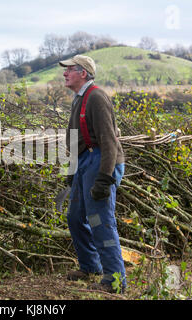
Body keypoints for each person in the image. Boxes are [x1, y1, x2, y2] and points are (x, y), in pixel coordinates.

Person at [59, 55, 127, 293]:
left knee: (100, 221)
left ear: (83, 73)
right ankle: (90, 266)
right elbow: (74, 138)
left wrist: (105, 177)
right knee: (75, 217)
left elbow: (109, 141)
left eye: (69, 70)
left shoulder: (97, 97)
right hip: (85, 160)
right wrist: (71, 171)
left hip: (101, 160)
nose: (65, 73)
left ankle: (115, 280)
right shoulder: (79, 98)